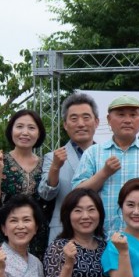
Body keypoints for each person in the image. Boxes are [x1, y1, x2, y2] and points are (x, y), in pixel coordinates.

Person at [73, 95, 139, 236]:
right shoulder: (93, 153)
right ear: (108, 120)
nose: (127, 120)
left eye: (133, 115)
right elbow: (77, 193)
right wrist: (103, 174)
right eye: (121, 115)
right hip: (101, 238)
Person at [0, 109, 50, 257]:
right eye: (19, 126)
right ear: (11, 130)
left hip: (37, 236)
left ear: (39, 133)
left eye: (31, 128)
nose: (25, 132)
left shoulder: (46, 164)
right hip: (2, 234)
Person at [38, 93, 100, 243]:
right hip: (63, 233)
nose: (80, 124)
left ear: (96, 122)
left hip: (101, 234)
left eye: (86, 117)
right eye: (74, 118)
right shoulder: (52, 157)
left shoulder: (107, 156)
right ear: (65, 125)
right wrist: (55, 168)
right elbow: (46, 195)